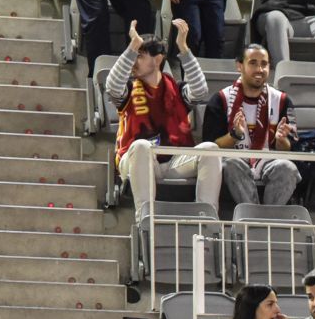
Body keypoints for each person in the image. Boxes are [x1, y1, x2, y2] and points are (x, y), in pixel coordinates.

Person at [109, 19, 214, 216]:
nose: (133, 61)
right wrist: (132, 47)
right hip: (136, 160)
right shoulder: (129, 88)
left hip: (174, 160)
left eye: (139, 56)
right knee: (142, 146)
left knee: (210, 150)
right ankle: (145, 219)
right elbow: (112, 86)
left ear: (157, 60)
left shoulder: (177, 88)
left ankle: (207, 219)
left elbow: (200, 91)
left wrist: (184, 49)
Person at [198, 45, 300, 208]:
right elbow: (211, 147)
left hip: (268, 160)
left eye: (264, 64)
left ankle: (265, 219)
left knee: (287, 167)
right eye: (253, 63)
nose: (259, 69)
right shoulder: (220, 100)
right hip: (236, 160)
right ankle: (254, 217)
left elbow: (291, 148)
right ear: (239, 65)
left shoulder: (282, 100)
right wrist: (234, 135)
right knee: (230, 164)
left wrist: (281, 141)